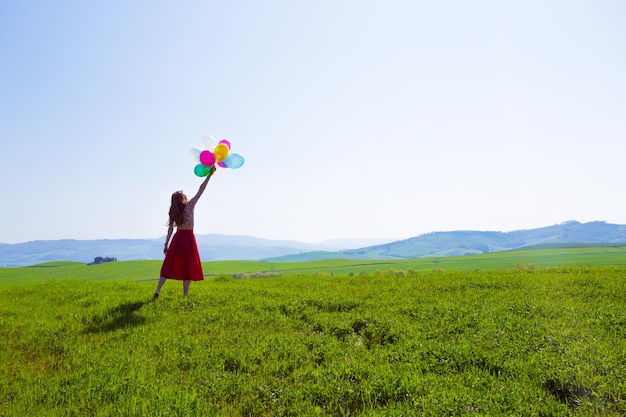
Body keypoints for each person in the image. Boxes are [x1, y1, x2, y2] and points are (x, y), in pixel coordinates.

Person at [153, 166, 216, 298]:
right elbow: (201, 190)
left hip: (177, 239)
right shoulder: (190, 206)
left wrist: (166, 244)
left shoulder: (174, 211)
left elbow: (170, 229)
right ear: (182, 198)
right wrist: (209, 175)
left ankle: (158, 290)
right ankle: (185, 295)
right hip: (188, 239)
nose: (186, 195)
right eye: (184, 195)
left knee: (168, 265)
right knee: (187, 267)